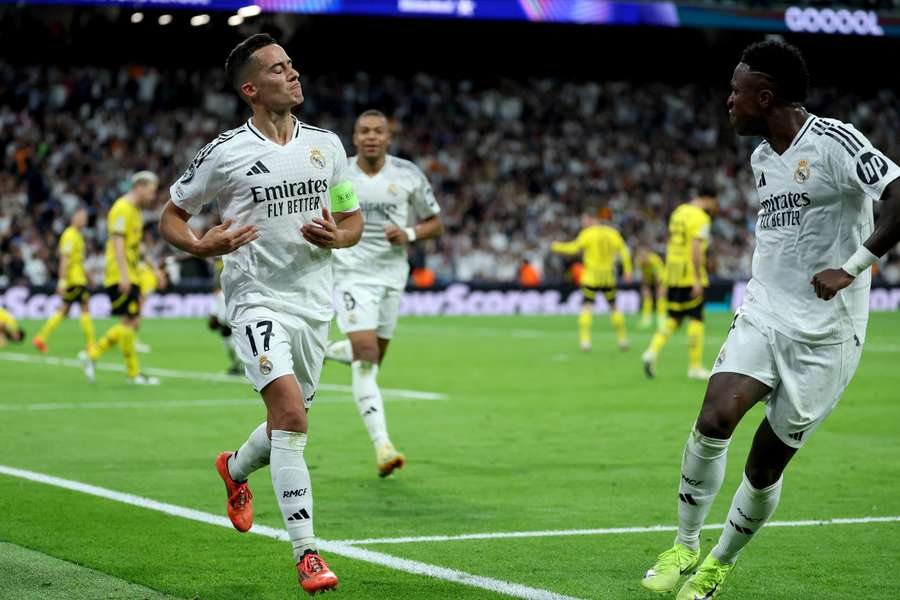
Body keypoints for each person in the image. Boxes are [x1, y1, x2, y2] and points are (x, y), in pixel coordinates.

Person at [641, 39, 899, 600]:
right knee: (716, 416)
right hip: (765, 310)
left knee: (764, 467)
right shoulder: (762, 157)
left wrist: (852, 267)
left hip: (829, 331)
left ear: (765, 96)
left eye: (736, 91)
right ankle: (684, 544)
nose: (727, 100)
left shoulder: (836, 142)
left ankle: (717, 563)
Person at [158, 34, 363, 595]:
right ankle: (307, 554)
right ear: (251, 88)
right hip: (256, 300)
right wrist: (202, 247)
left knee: (284, 423)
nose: (293, 74)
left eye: (292, 64)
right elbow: (172, 217)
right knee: (293, 418)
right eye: (278, 69)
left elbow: (352, 220)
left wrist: (339, 238)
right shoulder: (225, 152)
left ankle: (233, 468)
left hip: (313, 306)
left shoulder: (327, 145)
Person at [325, 109, 443, 477]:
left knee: (374, 358)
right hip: (350, 272)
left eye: (379, 131)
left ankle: (320, 349)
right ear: (355, 137)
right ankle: (383, 446)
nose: (372, 136)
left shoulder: (407, 174)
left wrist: (408, 234)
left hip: (392, 276)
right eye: (364, 131)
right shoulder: (339, 173)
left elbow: (435, 222)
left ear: (389, 137)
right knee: (365, 356)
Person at [80, 172, 160, 385]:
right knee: (130, 321)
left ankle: (129, 372)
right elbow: (117, 243)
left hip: (131, 273)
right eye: (151, 191)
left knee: (130, 321)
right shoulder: (122, 209)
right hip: (120, 274)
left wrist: (153, 267)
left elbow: (136, 245)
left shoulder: (135, 211)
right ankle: (96, 356)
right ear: (140, 187)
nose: (152, 196)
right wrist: (124, 276)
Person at [641, 191, 717, 380]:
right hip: (689, 275)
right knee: (696, 318)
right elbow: (696, 248)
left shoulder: (678, 212)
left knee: (674, 319)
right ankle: (695, 367)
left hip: (673, 273)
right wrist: (698, 278)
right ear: (707, 199)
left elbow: (671, 243)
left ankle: (651, 351)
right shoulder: (701, 218)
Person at [551, 207, 632, 352]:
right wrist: (627, 271)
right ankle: (623, 340)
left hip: (592, 277)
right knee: (614, 307)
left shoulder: (588, 234)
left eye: (584, 219)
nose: (582, 222)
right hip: (608, 277)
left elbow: (573, 248)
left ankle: (585, 342)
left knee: (587, 307)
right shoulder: (613, 233)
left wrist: (557, 246)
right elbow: (625, 252)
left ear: (591, 219)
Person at [32, 207, 95, 354]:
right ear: (75, 217)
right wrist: (62, 281)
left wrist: (89, 277)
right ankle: (92, 344)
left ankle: (41, 337)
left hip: (78, 279)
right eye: (82, 217)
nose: (84, 220)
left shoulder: (78, 236)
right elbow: (64, 260)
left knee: (63, 310)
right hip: (74, 280)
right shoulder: (69, 235)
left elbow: (77, 261)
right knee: (84, 308)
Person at [635, 245, 666, 329]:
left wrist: (657, 286)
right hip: (648, 278)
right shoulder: (638, 261)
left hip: (660, 278)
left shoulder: (654, 260)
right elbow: (642, 274)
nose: (641, 258)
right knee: (646, 295)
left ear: (647, 255)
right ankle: (646, 320)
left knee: (660, 295)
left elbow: (659, 278)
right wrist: (645, 285)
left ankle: (662, 320)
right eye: (640, 256)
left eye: (643, 256)